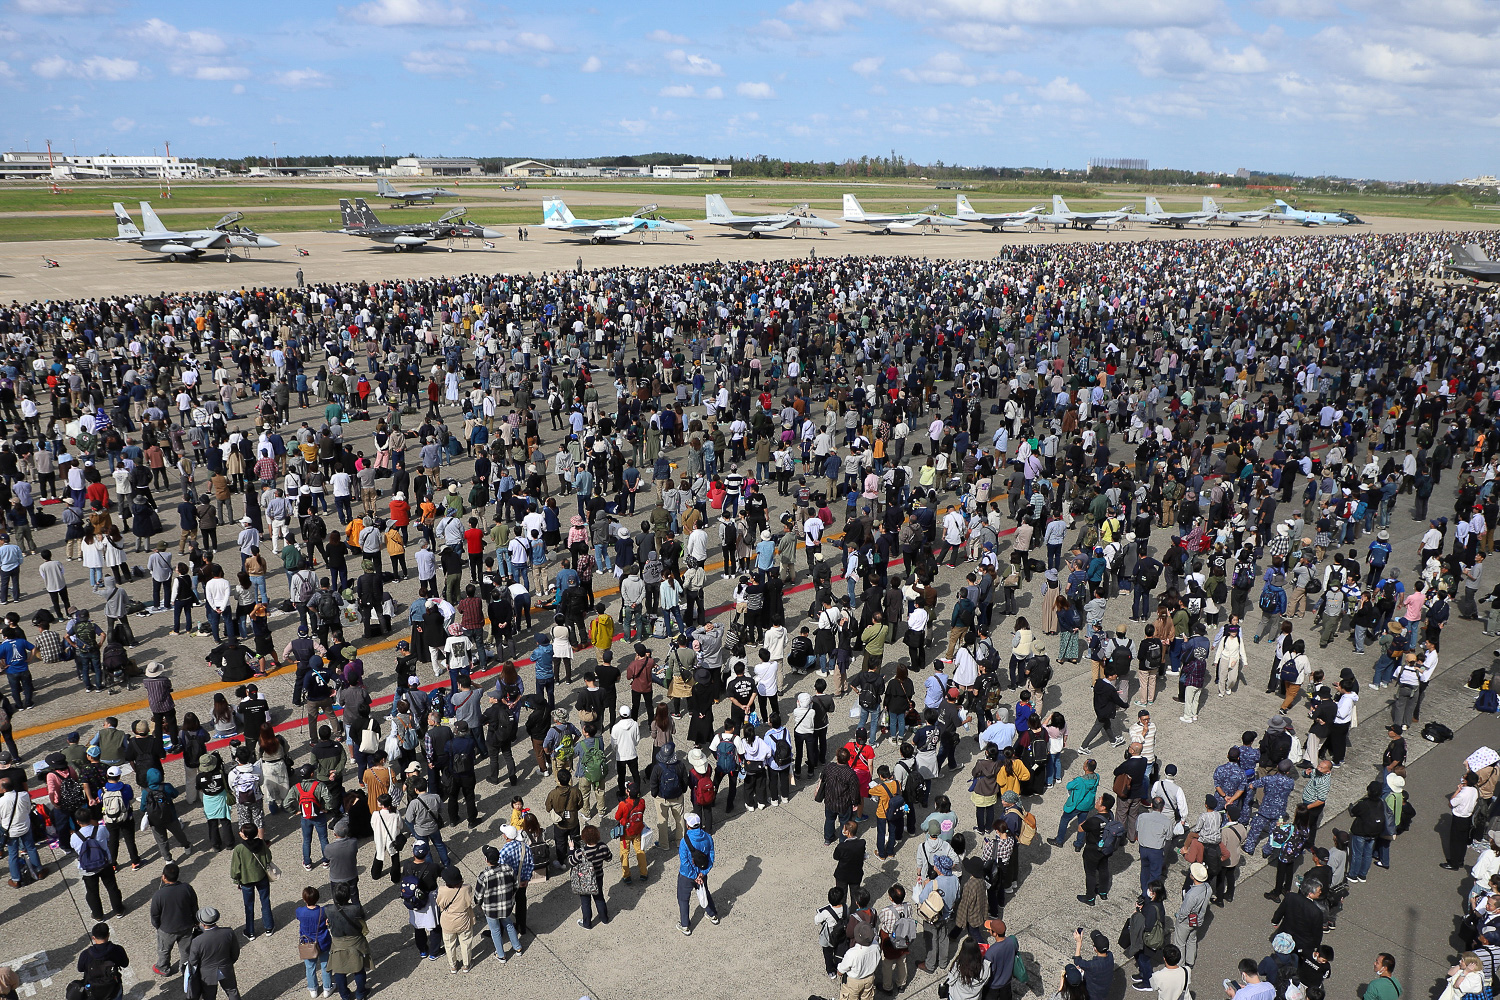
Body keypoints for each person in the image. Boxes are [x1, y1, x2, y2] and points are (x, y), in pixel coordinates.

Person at [72, 810, 125, 921]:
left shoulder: (75, 837)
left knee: (92, 892)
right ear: (90, 818)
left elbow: (76, 849)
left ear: (77, 822)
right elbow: (108, 839)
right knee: (112, 887)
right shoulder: (101, 829)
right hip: (105, 864)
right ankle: (119, 910)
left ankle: (98, 915)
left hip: (88, 869)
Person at [148, 863, 198, 976]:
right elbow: (194, 906)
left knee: (164, 950)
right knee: (186, 950)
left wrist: (158, 926)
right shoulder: (187, 888)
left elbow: (155, 915)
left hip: (166, 929)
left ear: (163, 877)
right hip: (186, 926)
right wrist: (195, 921)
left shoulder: (159, 895)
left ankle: (163, 968)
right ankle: (185, 968)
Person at [474, 844, 521, 962]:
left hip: (491, 909)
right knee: (509, 924)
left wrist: (478, 904)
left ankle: (501, 955)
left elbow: (478, 896)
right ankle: (518, 948)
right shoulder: (509, 869)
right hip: (507, 906)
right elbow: (516, 886)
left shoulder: (484, 875)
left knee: (495, 930)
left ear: (486, 860)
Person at [184, 907, 243, 1000]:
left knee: (209, 996)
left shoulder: (197, 941)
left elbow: (193, 961)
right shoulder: (229, 932)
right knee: (232, 991)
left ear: (202, 924)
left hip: (207, 974)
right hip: (226, 968)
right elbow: (235, 952)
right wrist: (228, 962)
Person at [228, 824, 275, 940]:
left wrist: (236, 879)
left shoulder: (239, 849)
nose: (240, 833)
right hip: (261, 877)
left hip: (246, 880)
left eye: (241, 832)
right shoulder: (261, 843)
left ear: (246, 835)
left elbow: (235, 868)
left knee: (249, 906)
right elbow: (268, 857)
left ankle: (251, 931)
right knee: (265, 901)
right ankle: (269, 927)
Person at [677, 812, 721, 934]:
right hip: (702, 874)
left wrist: (694, 876)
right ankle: (712, 915)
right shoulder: (708, 837)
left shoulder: (684, 841)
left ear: (688, 826)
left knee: (683, 899)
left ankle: (685, 925)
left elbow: (684, 862)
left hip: (686, 876)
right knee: (704, 892)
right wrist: (702, 873)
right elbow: (711, 857)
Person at [325, 883, 370, 1000]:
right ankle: (361, 993)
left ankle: (344, 995)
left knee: (339, 970)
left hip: (338, 942)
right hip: (355, 942)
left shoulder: (329, 910)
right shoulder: (355, 909)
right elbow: (362, 921)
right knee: (359, 968)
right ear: (348, 896)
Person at [434, 866, 476, 973]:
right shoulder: (467, 888)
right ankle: (466, 964)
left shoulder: (442, 890)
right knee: (465, 942)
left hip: (448, 921)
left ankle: (453, 966)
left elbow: (439, 903)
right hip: (463, 919)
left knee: (449, 944)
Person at [569, 824, 612, 928]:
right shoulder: (602, 847)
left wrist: (571, 849)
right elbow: (609, 858)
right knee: (599, 898)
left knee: (585, 902)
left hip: (584, 880)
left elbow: (571, 862)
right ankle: (604, 918)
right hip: (598, 877)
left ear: (584, 838)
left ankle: (587, 923)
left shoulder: (580, 852)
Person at [76, 922, 129, 1000]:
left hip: (93, 990)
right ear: (108, 935)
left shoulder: (85, 954)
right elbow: (125, 964)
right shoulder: (118, 949)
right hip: (113, 988)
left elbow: (80, 969)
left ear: (93, 938)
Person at [296, 887, 333, 998]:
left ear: (304, 899)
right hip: (323, 942)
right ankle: (327, 988)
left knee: (310, 967)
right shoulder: (323, 911)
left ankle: (313, 989)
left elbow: (298, 916)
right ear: (318, 898)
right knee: (325, 965)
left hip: (308, 944)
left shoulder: (300, 911)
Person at [1072, 929, 1116, 1000]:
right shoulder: (1110, 955)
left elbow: (1077, 961)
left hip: (1092, 994)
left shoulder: (1093, 965)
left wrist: (1079, 942)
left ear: (1095, 948)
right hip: (1104, 991)